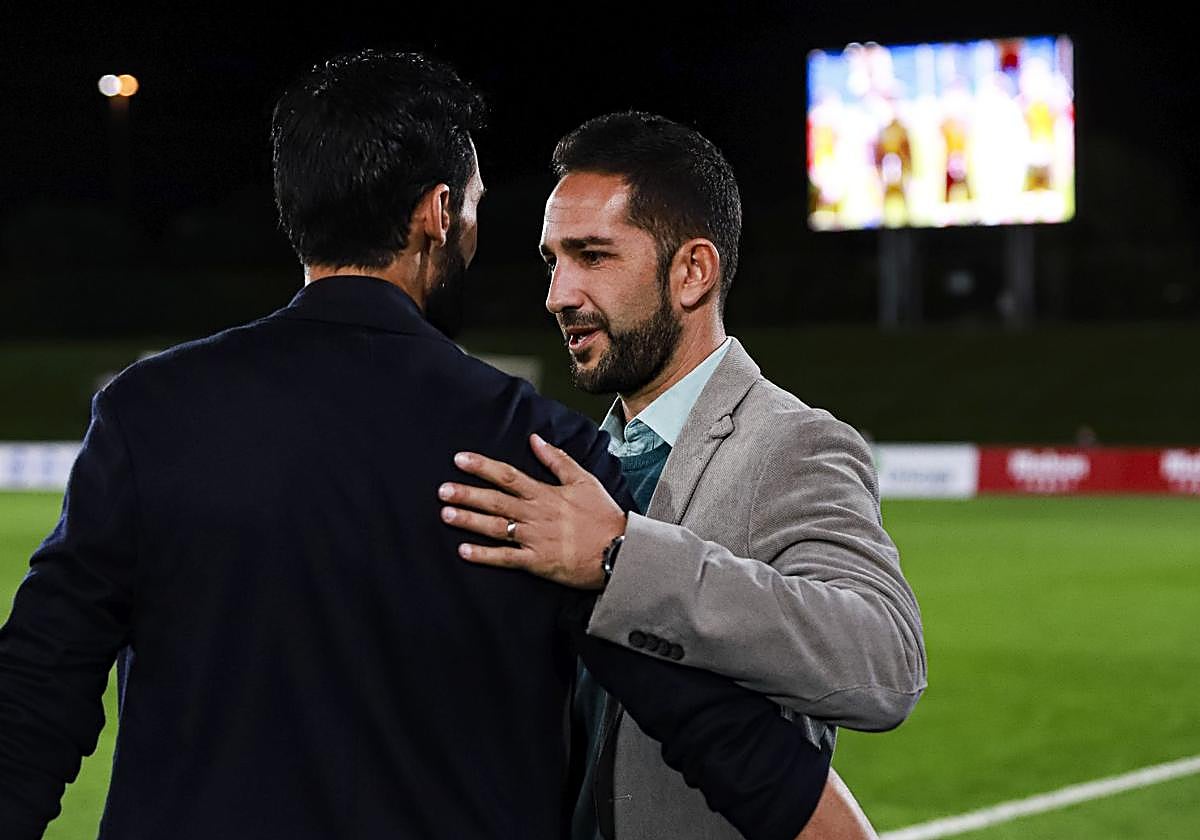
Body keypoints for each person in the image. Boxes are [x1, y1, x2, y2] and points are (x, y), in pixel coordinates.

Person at [0, 55, 833, 840]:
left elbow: (34, 696)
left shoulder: (148, 415)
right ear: (437, 214)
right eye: (471, 205)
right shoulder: (539, 453)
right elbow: (720, 732)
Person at [439, 111, 927, 838]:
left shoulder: (793, 445)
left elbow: (884, 663)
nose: (558, 295)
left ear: (692, 271)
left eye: (593, 256)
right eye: (552, 261)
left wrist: (620, 558)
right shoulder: (567, 466)